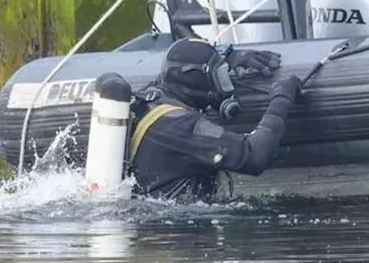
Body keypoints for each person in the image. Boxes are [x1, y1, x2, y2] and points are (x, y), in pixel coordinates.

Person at [125, 36, 302, 202]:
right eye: (219, 77)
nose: (224, 89)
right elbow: (255, 155)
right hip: (177, 230)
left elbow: (183, 62)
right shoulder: (182, 125)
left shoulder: (151, 100)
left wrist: (229, 56)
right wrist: (281, 99)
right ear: (198, 80)